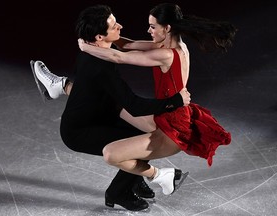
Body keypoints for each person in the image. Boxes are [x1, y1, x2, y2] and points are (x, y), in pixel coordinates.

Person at [32, 4, 191, 211]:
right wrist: (175, 102)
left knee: (143, 132)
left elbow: (124, 49)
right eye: (114, 25)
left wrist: (86, 47)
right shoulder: (100, 65)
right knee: (139, 140)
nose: (120, 26)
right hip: (80, 131)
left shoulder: (97, 54)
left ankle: (60, 85)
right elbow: (133, 105)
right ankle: (120, 191)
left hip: (100, 111)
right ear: (99, 37)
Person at [76, 2, 234, 186]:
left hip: (172, 128)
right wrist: (109, 37)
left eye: (152, 26)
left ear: (167, 28)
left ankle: (160, 176)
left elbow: (119, 57)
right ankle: (63, 86)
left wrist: (85, 46)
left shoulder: (166, 55)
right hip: (165, 116)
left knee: (111, 154)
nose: (149, 30)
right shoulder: (174, 46)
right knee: (113, 104)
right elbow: (127, 45)